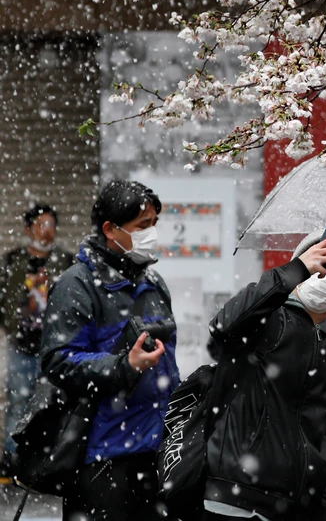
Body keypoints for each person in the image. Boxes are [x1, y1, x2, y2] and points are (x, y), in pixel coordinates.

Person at [202, 232, 326, 520]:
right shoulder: (264, 319)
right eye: (322, 261)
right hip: (235, 497)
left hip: (297, 507)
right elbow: (222, 326)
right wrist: (295, 271)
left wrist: (321, 499)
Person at [41, 180, 176, 521]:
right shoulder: (77, 284)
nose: (152, 234)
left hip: (157, 453)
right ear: (110, 230)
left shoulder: (154, 283)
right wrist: (122, 367)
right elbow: (58, 360)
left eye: (154, 225)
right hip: (102, 457)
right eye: (142, 226)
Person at [0, 203, 73, 465]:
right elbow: (4, 299)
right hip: (20, 344)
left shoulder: (65, 261)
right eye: (41, 224)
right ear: (28, 228)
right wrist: (12, 326)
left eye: (51, 225)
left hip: (54, 347)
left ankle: (47, 461)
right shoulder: (13, 260)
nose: (47, 231)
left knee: (52, 403)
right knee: (19, 400)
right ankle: (13, 458)